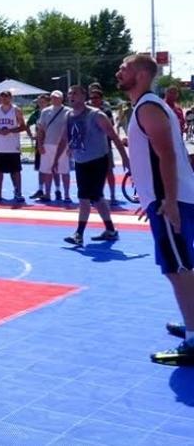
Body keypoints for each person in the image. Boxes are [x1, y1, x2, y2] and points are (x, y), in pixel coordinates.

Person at [116, 54, 194, 365]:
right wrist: (151, 197)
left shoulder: (148, 107)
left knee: (178, 269)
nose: (119, 72)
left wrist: (169, 201)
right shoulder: (147, 107)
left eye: (126, 68)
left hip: (170, 202)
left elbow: (167, 156)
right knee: (182, 266)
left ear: (143, 75)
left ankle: (193, 338)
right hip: (166, 199)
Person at [55, 85, 130, 246]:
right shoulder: (68, 115)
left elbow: (114, 136)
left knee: (85, 198)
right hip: (80, 161)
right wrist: (56, 159)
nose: (71, 96)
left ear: (84, 96)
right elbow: (64, 139)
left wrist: (124, 157)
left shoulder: (96, 115)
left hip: (97, 160)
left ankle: (79, 234)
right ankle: (110, 230)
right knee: (96, 198)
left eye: (75, 93)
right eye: (69, 93)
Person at [0, 90, 27, 203]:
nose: (5, 99)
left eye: (7, 97)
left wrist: (10, 130)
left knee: (15, 171)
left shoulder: (16, 110)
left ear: (11, 98)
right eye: (3, 97)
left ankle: (18, 192)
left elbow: (23, 126)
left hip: (13, 145)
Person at [36, 91, 71, 202]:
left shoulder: (69, 111)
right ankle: (47, 193)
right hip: (48, 144)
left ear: (62, 99)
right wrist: (40, 144)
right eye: (53, 98)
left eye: (57, 98)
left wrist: (71, 146)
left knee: (64, 171)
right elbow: (41, 130)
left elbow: (72, 130)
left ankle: (66, 194)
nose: (55, 100)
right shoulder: (45, 111)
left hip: (63, 145)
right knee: (47, 170)